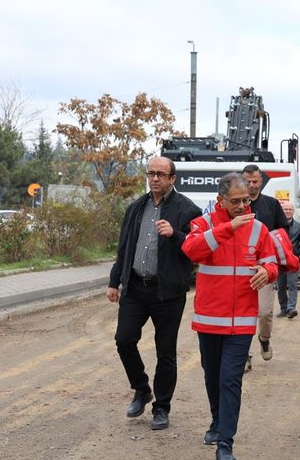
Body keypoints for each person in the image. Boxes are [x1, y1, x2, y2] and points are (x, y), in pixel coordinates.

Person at [182, 173, 280, 460]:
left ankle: (225, 444)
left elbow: (272, 262)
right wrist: (227, 228)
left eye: (245, 201)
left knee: (230, 380)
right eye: (235, 201)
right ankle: (216, 420)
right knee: (212, 376)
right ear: (220, 200)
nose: (241, 207)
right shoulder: (203, 224)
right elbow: (191, 250)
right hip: (210, 319)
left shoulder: (259, 229)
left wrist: (266, 271)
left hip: (242, 322)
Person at [107, 156, 201, 430]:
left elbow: (197, 248)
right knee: (124, 340)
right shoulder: (136, 207)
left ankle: (162, 407)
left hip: (167, 292)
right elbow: (124, 247)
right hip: (135, 287)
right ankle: (141, 389)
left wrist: (176, 235)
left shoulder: (188, 210)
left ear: (173, 178)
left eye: (161, 174)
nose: (155, 178)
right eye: (151, 173)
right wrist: (114, 282)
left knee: (165, 352)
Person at [242, 164, 288, 364]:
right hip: (239, 266)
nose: (252, 185)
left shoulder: (272, 204)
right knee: (242, 315)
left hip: (264, 266)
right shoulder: (236, 204)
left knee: (264, 312)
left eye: (255, 181)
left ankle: (265, 339)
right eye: (248, 181)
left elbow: (283, 232)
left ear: (261, 181)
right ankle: (243, 355)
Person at [276, 200, 300, 319]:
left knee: (293, 286)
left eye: (290, 209)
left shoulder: (299, 227)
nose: (288, 211)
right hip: (280, 261)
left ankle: (291, 309)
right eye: (285, 209)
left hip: (293, 261)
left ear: (293, 211)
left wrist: (298, 251)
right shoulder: (277, 225)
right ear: (282, 211)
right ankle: (283, 309)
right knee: (281, 286)